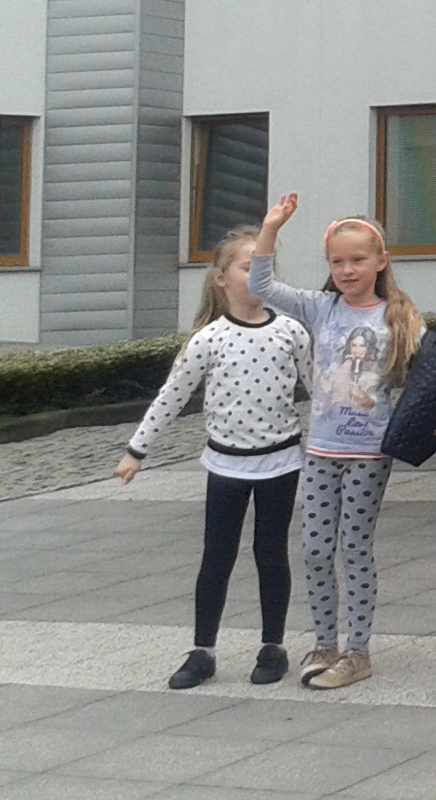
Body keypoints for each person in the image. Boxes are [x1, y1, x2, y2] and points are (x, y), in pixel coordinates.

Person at [117, 225, 312, 690]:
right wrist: (136, 451)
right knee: (217, 556)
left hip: (281, 463)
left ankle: (273, 645)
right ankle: (203, 649)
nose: (257, 275)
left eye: (264, 267)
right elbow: (171, 396)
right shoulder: (209, 339)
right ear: (222, 279)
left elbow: (321, 389)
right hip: (225, 465)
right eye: (247, 267)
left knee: (271, 554)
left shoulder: (292, 331)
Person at [249, 195, 429, 689]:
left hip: (369, 452)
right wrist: (271, 228)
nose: (347, 270)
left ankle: (358, 651)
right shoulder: (321, 307)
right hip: (322, 451)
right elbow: (260, 285)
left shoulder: (398, 316)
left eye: (357, 260)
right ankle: (325, 643)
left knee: (353, 548)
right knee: (313, 549)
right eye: (337, 262)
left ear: (381, 260)